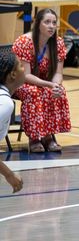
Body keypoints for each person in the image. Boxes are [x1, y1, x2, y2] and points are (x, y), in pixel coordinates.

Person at [12, 8, 71, 153]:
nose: (51, 26)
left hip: (43, 83)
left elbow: (58, 72)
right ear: (38, 24)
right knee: (34, 92)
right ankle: (34, 138)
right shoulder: (24, 42)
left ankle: (47, 136)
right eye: (47, 22)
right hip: (19, 83)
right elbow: (25, 76)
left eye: (54, 23)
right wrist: (49, 85)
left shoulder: (58, 43)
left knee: (57, 92)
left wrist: (56, 85)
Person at [0, 51, 26, 192]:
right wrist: (9, 174)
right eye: (21, 65)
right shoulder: (4, 103)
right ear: (13, 74)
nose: (25, 69)